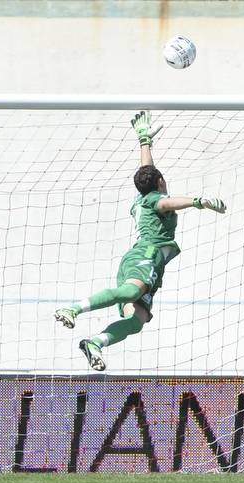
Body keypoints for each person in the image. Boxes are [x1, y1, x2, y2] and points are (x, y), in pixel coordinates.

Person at [55, 111, 226, 371]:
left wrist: (144, 140)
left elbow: (147, 173)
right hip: (145, 256)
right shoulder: (154, 199)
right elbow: (166, 200)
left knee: (137, 319)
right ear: (160, 182)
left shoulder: (141, 196)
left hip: (144, 261)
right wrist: (198, 202)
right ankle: (74, 309)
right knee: (133, 292)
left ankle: (95, 343)